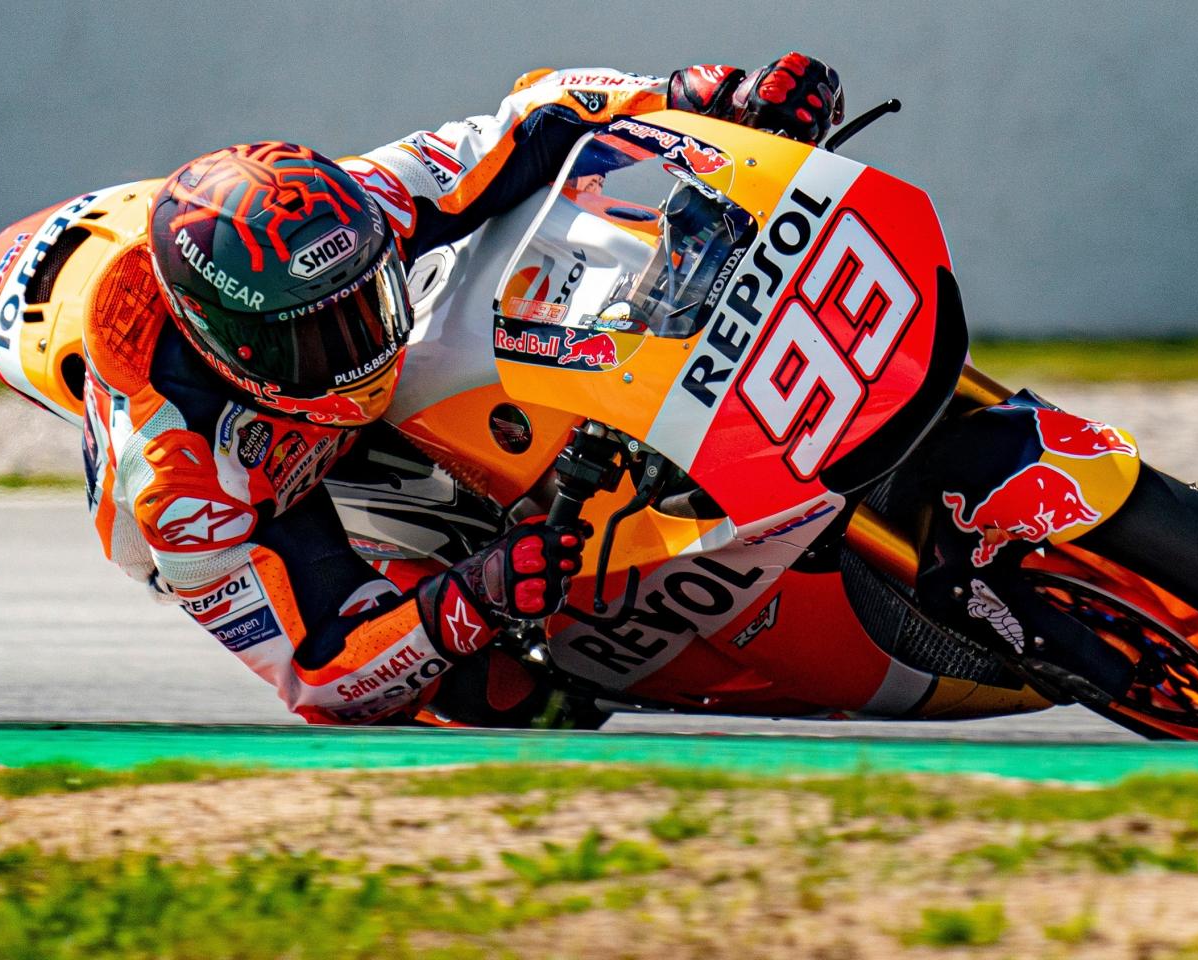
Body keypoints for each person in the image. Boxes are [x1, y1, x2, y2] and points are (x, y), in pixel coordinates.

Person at [58, 55, 844, 726]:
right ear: (227, 342)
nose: (361, 345)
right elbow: (318, 676)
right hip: (274, 501)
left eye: (368, 302)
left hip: (317, 392)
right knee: (511, 699)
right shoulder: (180, 488)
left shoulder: (362, 205)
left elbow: (535, 117)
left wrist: (700, 95)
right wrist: (470, 599)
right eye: (321, 336)